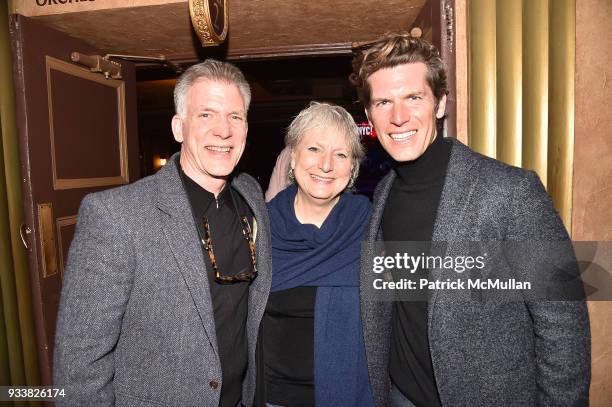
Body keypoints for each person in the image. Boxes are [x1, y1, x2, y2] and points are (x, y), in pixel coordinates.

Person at [352, 33, 590, 406]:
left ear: (440, 103)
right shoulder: (383, 194)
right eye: (384, 102)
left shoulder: (511, 191)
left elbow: (563, 324)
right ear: (369, 116)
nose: (398, 117)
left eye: (414, 98)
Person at [53, 59, 271, 406]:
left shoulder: (251, 196)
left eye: (235, 116)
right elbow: (78, 365)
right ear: (178, 127)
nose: (223, 130)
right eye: (206, 115)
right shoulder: (116, 215)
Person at [261, 102, 374, 406]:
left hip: (354, 396)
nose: (326, 165)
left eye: (341, 154)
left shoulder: (373, 226)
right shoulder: (259, 228)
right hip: (275, 398)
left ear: (353, 167)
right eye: (314, 149)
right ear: (292, 157)